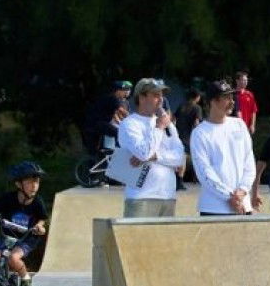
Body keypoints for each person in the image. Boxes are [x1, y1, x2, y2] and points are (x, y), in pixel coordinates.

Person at [118, 79, 186, 217]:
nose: (161, 100)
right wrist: (159, 127)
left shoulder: (168, 124)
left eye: (161, 95)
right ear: (142, 98)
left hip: (168, 196)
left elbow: (180, 158)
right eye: (155, 95)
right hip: (141, 198)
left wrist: (156, 156)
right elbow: (144, 153)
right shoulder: (129, 124)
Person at [191, 79, 257, 216]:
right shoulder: (200, 133)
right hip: (214, 208)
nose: (232, 101)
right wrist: (230, 197)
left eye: (232, 97)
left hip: (243, 205)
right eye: (226, 98)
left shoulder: (239, 124)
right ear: (213, 101)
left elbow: (249, 162)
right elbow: (204, 172)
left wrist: (242, 191)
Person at [0, 162, 49, 286]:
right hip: (6, 236)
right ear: (19, 184)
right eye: (30, 182)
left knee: (13, 258)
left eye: (36, 182)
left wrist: (39, 226)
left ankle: (25, 278)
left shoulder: (37, 202)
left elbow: (43, 218)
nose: (34, 186)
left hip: (26, 239)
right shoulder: (8, 199)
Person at [83, 80, 133, 154]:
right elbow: (121, 111)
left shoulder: (117, 100)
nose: (127, 92)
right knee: (119, 132)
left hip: (104, 122)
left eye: (128, 90)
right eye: (124, 90)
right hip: (97, 123)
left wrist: (121, 122)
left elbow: (114, 114)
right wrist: (134, 119)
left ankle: (111, 149)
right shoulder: (113, 98)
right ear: (117, 91)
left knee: (118, 129)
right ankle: (115, 151)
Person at [175, 89, 203, 188]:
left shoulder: (181, 106)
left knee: (179, 158)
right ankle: (180, 182)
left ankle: (177, 181)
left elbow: (174, 119)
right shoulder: (197, 108)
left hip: (178, 135)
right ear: (197, 97)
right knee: (184, 158)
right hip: (189, 137)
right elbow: (196, 123)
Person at [230, 71, 258, 135]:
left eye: (246, 80)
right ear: (237, 81)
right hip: (234, 128)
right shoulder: (231, 95)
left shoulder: (250, 94)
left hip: (247, 128)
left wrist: (252, 125)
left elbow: (253, 111)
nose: (246, 82)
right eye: (243, 80)